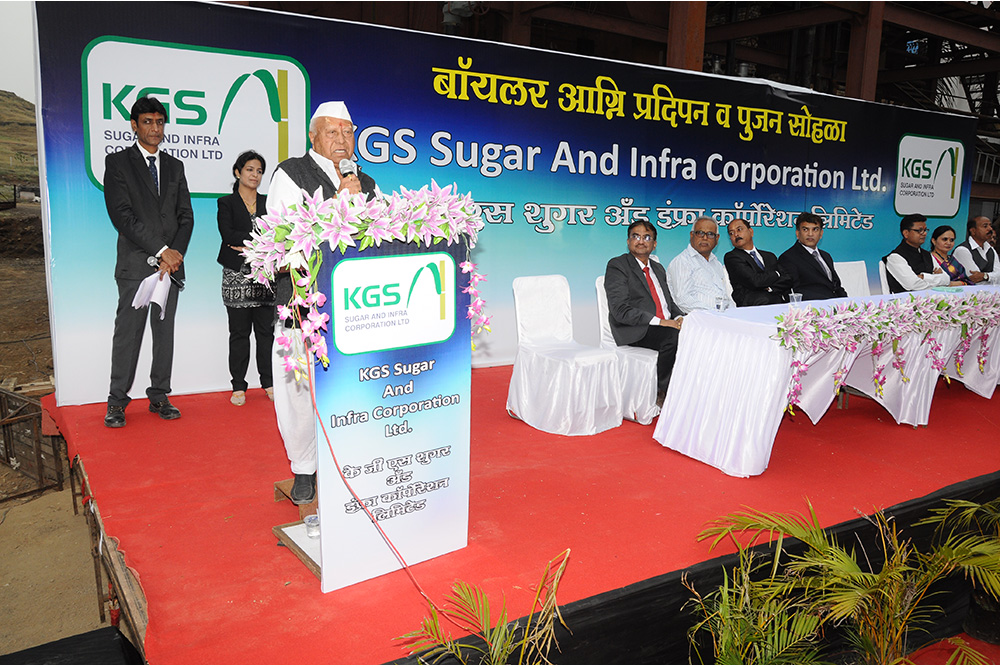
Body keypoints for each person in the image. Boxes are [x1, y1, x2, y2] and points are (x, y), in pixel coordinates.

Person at [267, 101, 382, 504]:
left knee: (351, 388)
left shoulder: (366, 181)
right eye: (332, 132)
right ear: (313, 137)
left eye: (348, 132)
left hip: (356, 306)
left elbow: (382, 233)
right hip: (302, 304)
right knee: (299, 391)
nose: (342, 140)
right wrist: (339, 201)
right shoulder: (290, 173)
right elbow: (285, 234)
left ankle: (349, 463)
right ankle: (304, 469)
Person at [103, 96, 193, 428]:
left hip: (170, 268)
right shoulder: (118, 163)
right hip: (136, 266)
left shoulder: (175, 166)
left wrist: (174, 255)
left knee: (164, 335)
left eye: (159, 122)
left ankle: (159, 395)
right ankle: (116, 402)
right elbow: (122, 217)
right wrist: (161, 250)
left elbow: (186, 216)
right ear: (134, 125)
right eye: (147, 122)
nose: (154, 128)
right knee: (128, 335)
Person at [217, 150, 275, 407]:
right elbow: (228, 235)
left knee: (266, 333)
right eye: (250, 169)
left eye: (259, 171)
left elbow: (275, 235)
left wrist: (248, 243)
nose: (255, 175)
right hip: (236, 276)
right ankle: (238, 385)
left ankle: (269, 382)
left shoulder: (269, 203)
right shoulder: (226, 203)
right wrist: (259, 240)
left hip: (265, 275)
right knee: (239, 333)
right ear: (238, 172)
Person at [604, 221, 684, 406]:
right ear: (628, 241)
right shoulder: (618, 265)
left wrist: (680, 318)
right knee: (672, 336)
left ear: (654, 244)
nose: (641, 241)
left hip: (664, 325)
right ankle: (662, 391)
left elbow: (668, 303)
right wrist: (660, 322)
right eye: (636, 236)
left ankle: (687, 389)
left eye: (647, 237)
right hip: (636, 329)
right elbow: (620, 310)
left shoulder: (658, 268)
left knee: (696, 332)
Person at [665, 216, 735, 313]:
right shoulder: (682, 261)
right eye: (700, 233)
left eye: (710, 234)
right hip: (700, 319)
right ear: (692, 235)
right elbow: (683, 300)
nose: (705, 238)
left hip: (722, 317)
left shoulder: (716, 263)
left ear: (717, 238)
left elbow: (724, 296)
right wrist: (714, 313)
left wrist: (732, 312)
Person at [883, 214, 964, 293]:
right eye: (919, 230)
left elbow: (946, 279)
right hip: (906, 300)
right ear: (906, 233)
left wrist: (924, 277)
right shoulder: (895, 257)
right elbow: (913, 285)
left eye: (925, 230)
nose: (924, 233)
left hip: (931, 298)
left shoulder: (927, 254)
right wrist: (935, 279)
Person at [777, 211, 847, 301]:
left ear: (821, 234)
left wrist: (846, 302)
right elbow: (794, 292)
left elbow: (836, 286)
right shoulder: (788, 257)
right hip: (813, 306)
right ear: (797, 233)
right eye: (805, 229)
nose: (810, 234)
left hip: (835, 305)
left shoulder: (826, 256)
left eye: (815, 229)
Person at [723, 218, 793, 306]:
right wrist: (777, 274)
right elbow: (755, 281)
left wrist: (770, 288)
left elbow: (787, 279)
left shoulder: (769, 256)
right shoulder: (732, 257)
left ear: (751, 232)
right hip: (752, 306)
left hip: (778, 304)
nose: (736, 234)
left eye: (739, 229)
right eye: (731, 233)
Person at [953, 216, 1000, 285]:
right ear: (973, 231)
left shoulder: (991, 249)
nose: (990, 229)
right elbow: (975, 279)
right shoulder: (962, 250)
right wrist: (991, 277)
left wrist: (985, 276)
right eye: (985, 226)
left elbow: (999, 275)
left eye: (990, 226)